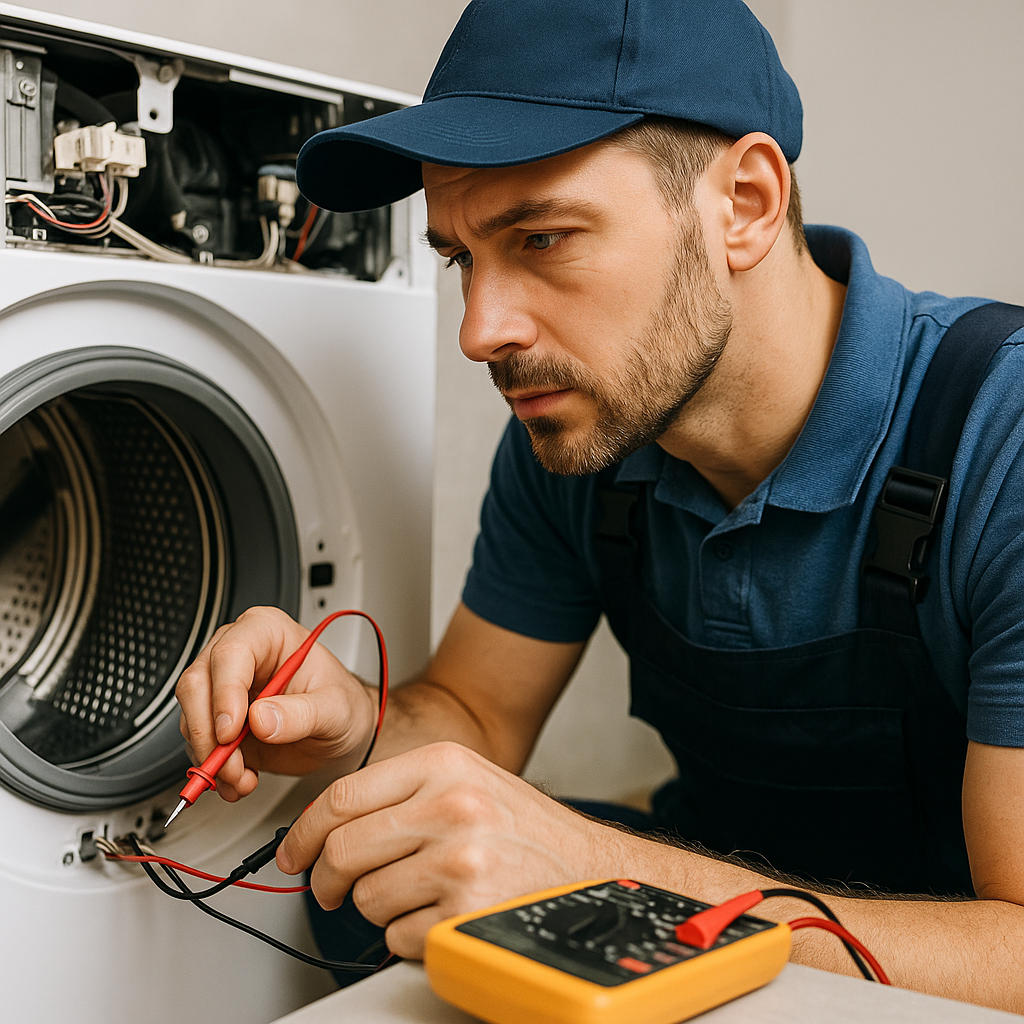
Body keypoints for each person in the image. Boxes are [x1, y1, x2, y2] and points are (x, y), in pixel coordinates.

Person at [175, 0, 1024, 1010]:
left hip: (940, 969)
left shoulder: (1000, 435)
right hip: (728, 891)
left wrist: (594, 866)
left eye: (540, 237)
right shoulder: (583, 431)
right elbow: (476, 716)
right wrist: (353, 721)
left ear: (745, 204)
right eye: (461, 259)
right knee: (379, 872)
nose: (479, 331)